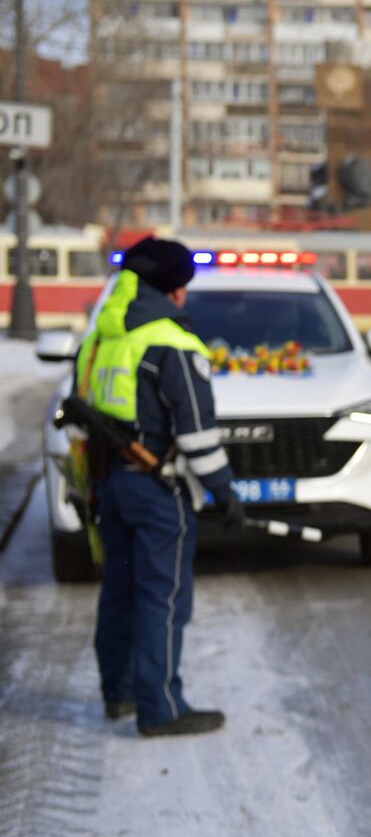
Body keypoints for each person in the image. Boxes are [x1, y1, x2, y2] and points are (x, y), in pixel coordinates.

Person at [76, 237, 243, 737]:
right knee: (163, 597)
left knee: (121, 590)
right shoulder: (173, 342)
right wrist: (224, 493)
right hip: (157, 493)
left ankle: (121, 693)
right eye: (183, 286)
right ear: (171, 290)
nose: (185, 296)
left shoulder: (103, 340)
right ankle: (162, 708)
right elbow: (197, 434)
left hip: (112, 487)